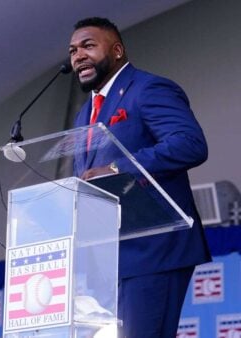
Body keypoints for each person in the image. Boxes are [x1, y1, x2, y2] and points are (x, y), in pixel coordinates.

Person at [68, 17, 211, 337]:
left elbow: (190, 145)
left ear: (117, 50)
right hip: (106, 257)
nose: (78, 55)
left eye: (88, 45)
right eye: (73, 50)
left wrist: (119, 169)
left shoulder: (148, 88)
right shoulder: (84, 113)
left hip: (152, 248)